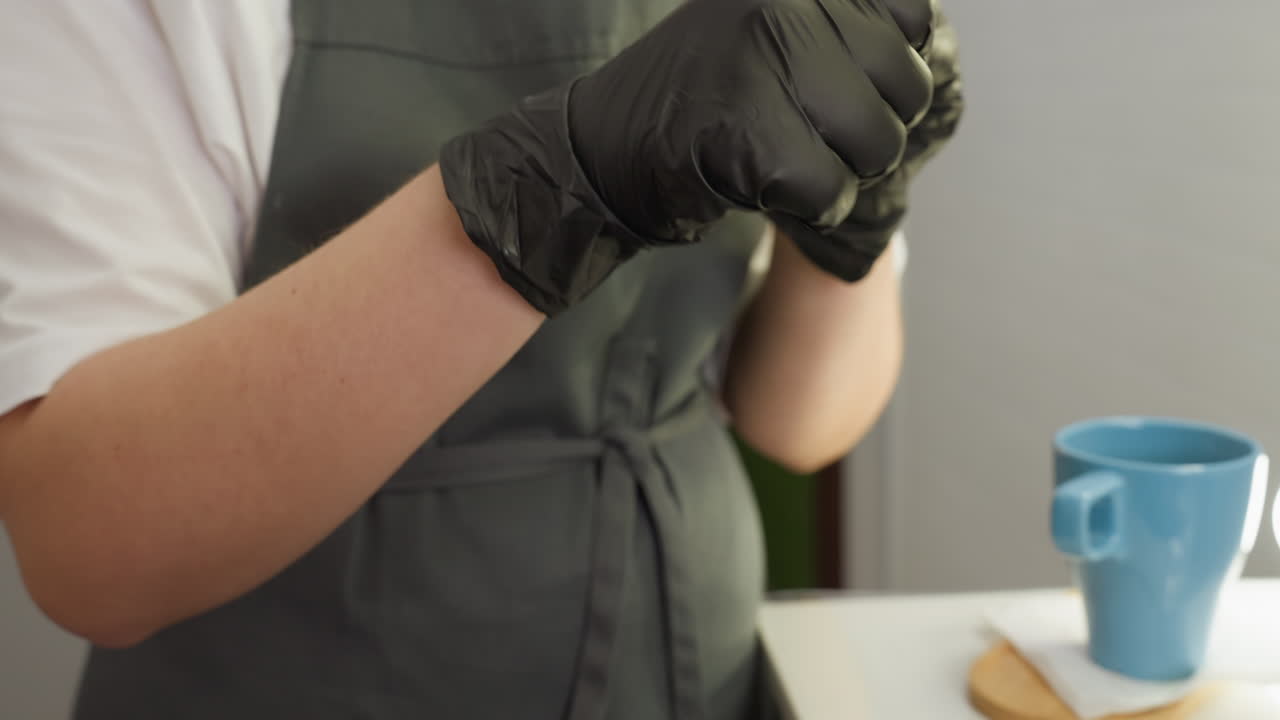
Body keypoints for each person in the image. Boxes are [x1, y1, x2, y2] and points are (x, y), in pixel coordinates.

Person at [0, 0, 962, 717]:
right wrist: (552, 193)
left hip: (691, 674)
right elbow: (92, 549)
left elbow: (799, 421)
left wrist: (862, 220)